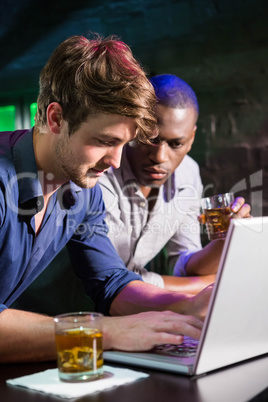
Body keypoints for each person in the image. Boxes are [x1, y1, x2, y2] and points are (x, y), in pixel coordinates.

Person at [0, 35, 211, 363]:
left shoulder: (86, 192)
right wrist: (106, 332)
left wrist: (186, 305)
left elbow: (111, 283)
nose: (115, 162)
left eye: (123, 145)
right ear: (56, 118)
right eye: (104, 141)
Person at [98, 74, 251, 292]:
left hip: (123, 313)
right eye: (151, 139)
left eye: (176, 144)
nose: (160, 156)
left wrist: (225, 243)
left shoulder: (188, 173)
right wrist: (204, 285)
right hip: (57, 312)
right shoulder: (101, 173)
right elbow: (116, 278)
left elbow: (183, 262)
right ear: (133, 127)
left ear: (191, 139)